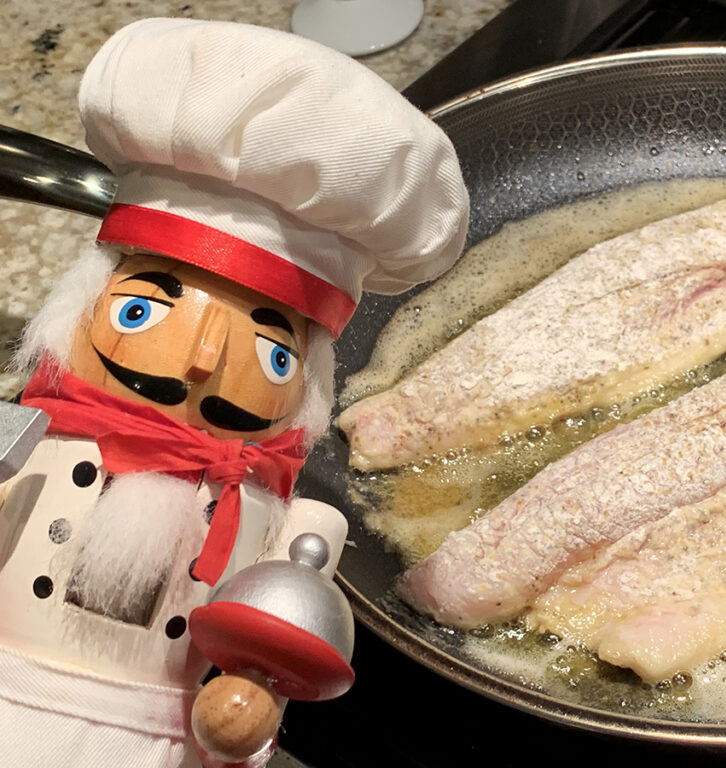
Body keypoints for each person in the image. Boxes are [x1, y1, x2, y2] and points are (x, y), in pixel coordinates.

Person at [0, 17, 468, 768]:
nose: (202, 358)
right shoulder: (28, 435)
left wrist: (248, 702)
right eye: (142, 309)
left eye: (272, 353)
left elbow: (268, 662)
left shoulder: (287, 519)